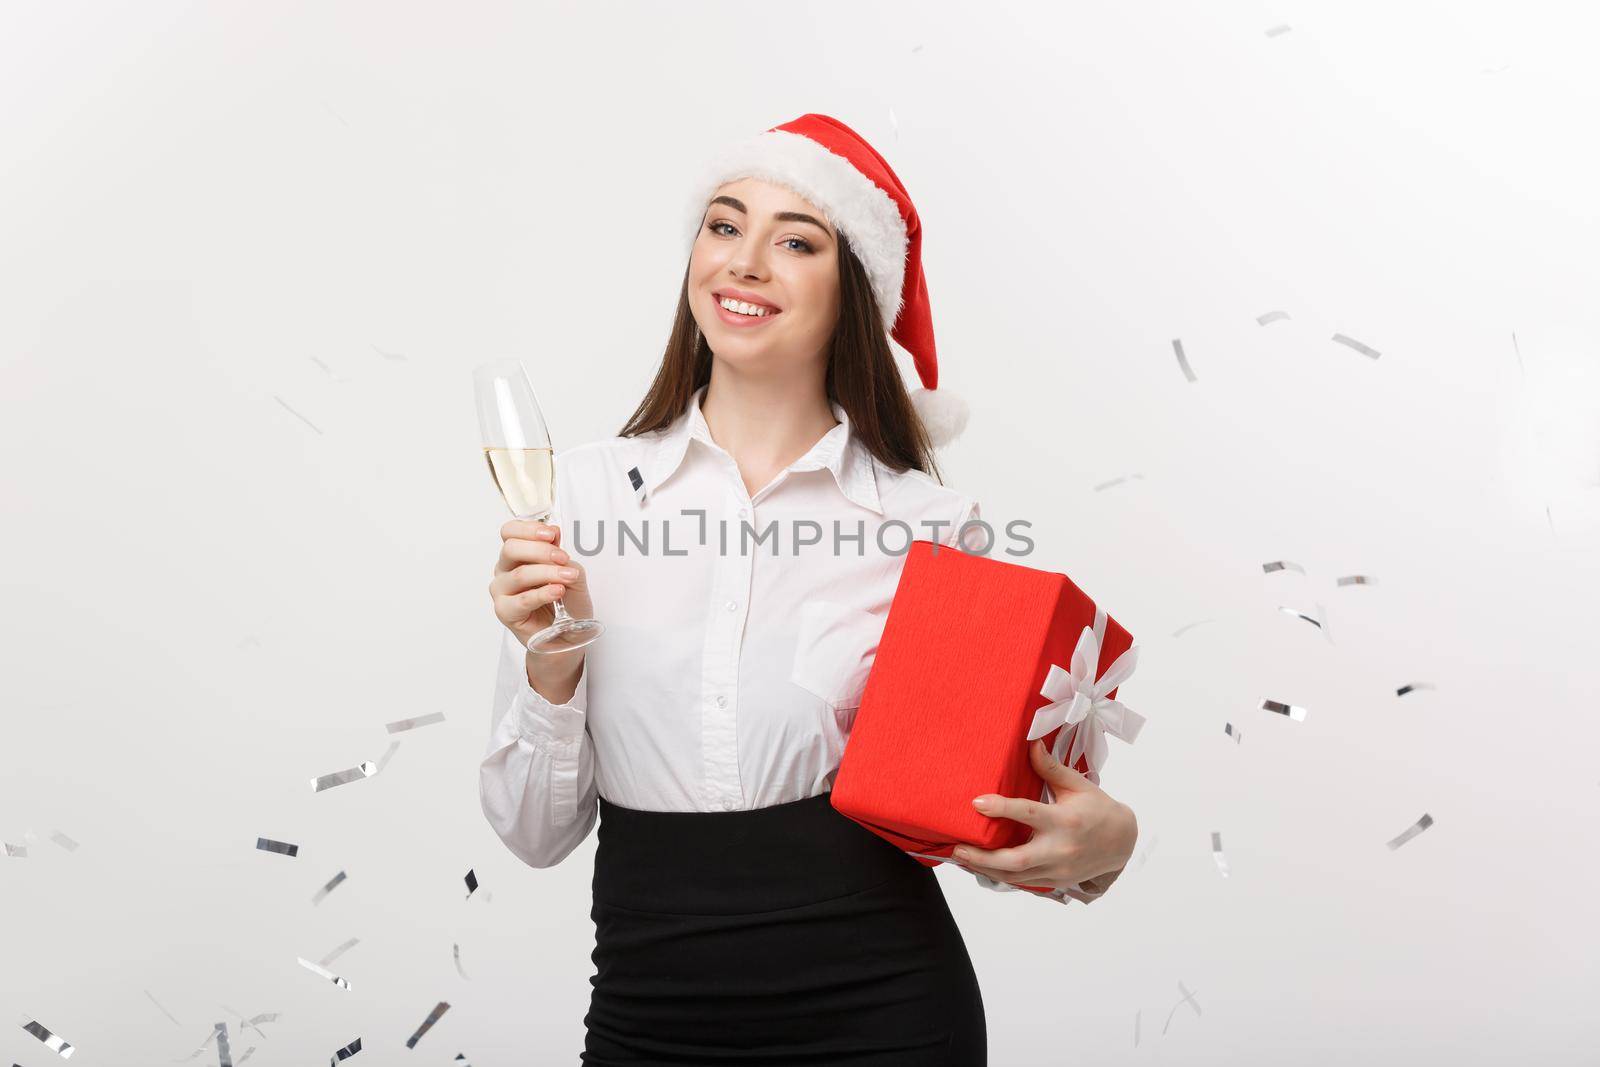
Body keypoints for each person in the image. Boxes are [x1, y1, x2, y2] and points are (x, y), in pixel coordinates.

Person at [480, 113, 1138, 1065]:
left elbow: (998, 819)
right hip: (647, 1018)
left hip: (886, 1018)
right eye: (723, 225)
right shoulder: (574, 500)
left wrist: (1107, 843)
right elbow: (536, 837)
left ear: (854, 291)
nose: (745, 262)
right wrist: (551, 668)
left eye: (796, 240)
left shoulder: (933, 528)